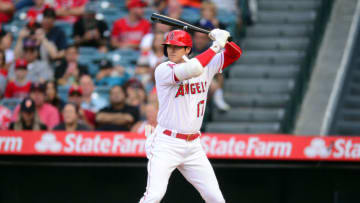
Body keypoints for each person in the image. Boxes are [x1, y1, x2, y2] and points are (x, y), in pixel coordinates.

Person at [139, 29, 242, 202]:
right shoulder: (163, 69)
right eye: (169, 46)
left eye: (177, 47)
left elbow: (235, 54)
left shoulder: (206, 65)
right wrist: (217, 45)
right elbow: (194, 68)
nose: (172, 50)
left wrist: (226, 39)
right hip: (166, 143)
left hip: (193, 145)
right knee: (154, 196)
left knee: (215, 198)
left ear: (187, 49)